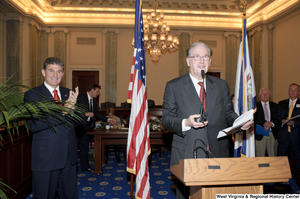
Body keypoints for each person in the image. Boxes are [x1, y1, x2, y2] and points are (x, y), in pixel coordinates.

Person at [161, 42, 250, 199]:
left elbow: (228, 113)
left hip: (218, 151)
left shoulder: (221, 85)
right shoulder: (174, 86)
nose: (201, 61)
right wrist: (186, 123)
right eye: (196, 57)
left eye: (205, 57)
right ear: (188, 61)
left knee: (216, 194)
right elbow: (166, 120)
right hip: (187, 152)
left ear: (210, 61)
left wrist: (239, 122)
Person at [24, 57, 81, 199]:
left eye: (59, 71)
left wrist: (74, 111)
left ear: (62, 74)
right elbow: (33, 125)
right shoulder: (32, 95)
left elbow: (78, 124)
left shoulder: (70, 94)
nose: (55, 75)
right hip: (46, 158)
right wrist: (62, 111)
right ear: (43, 72)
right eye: (51, 71)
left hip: (69, 158)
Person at [76, 84, 116, 173]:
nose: (98, 93)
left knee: (84, 148)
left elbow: (96, 114)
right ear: (92, 90)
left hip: (87, 128)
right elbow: (74, 109)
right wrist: (85, 114)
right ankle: (71, 169)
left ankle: (85, 167)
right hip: (78, 127)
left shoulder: (94, 101)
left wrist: (108, 120)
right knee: (74, 148)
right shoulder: (80, 97)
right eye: (97, 91)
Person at [274, 83, 300, 187]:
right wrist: (282, 120)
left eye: (295, 90)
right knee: (281, 160)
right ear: (288, 91)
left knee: (298, 161)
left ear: (298, 93)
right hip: (283, 137)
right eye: (291, 90)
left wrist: (295, 123)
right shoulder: (281, 103)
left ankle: (298, 182)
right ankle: (280, 180)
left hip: (297, 137)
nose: (292, 92)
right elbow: (276, 117)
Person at [254, 88, 278, 157]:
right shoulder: (255, 106)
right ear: (259, 95)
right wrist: (265, 123)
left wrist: (271, 124)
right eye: (263, 93)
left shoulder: (276, 106)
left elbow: (278, 118)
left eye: (267, 93)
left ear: (269, 95)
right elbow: (254, 118)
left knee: (273, 157)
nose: (265, 95)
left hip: (273, 134)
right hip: (260, 135)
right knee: (259, 157)